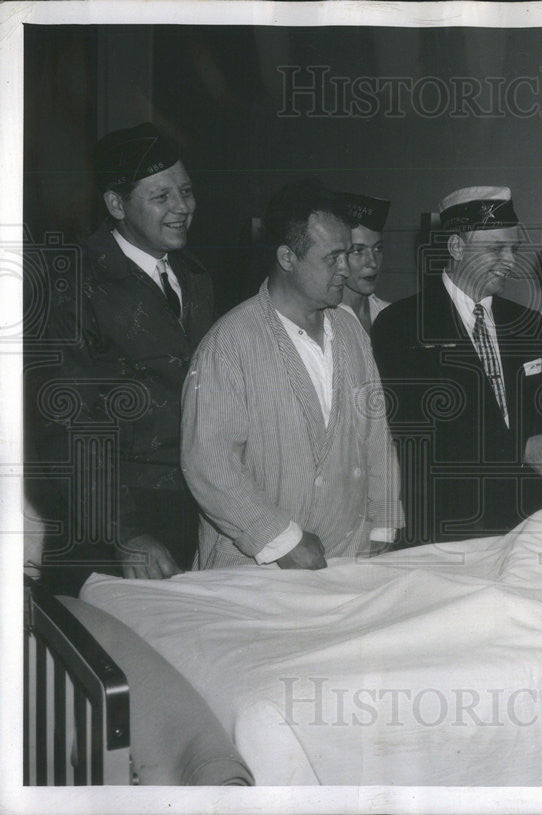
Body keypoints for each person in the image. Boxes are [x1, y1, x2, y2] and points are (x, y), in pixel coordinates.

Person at [28, 122, 215, 593]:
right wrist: (125, 532)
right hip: (112, 527)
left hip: (194, 511)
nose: (182, 208)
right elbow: (67, 424)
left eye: (187, 192)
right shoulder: (72, 282)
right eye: (162, 196)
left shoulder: (196, 279)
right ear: (116, 204)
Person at [180, 179, 403, 569]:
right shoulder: (229, 344)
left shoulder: (350, 332)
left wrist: (383, 523)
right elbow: (209, 464)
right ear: (287, 258)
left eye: (347, 254)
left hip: (346, 562)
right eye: (332, 258)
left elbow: (376, 436)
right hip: (254, 572)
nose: (346, 269)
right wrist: (281, 539)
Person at [371, 186, 542, 546]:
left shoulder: (526, 322)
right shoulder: (401, 324)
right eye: (496, 248)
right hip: (446, 527)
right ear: (456, 247)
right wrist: (521, 453)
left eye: (514, 249)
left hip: (524, 524)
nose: (511, 261)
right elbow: (417, 434)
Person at [331, 191, 392, 334]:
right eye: (358, 251)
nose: (372, 263)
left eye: (378, 248)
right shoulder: (324, 322)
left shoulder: (388, 314)